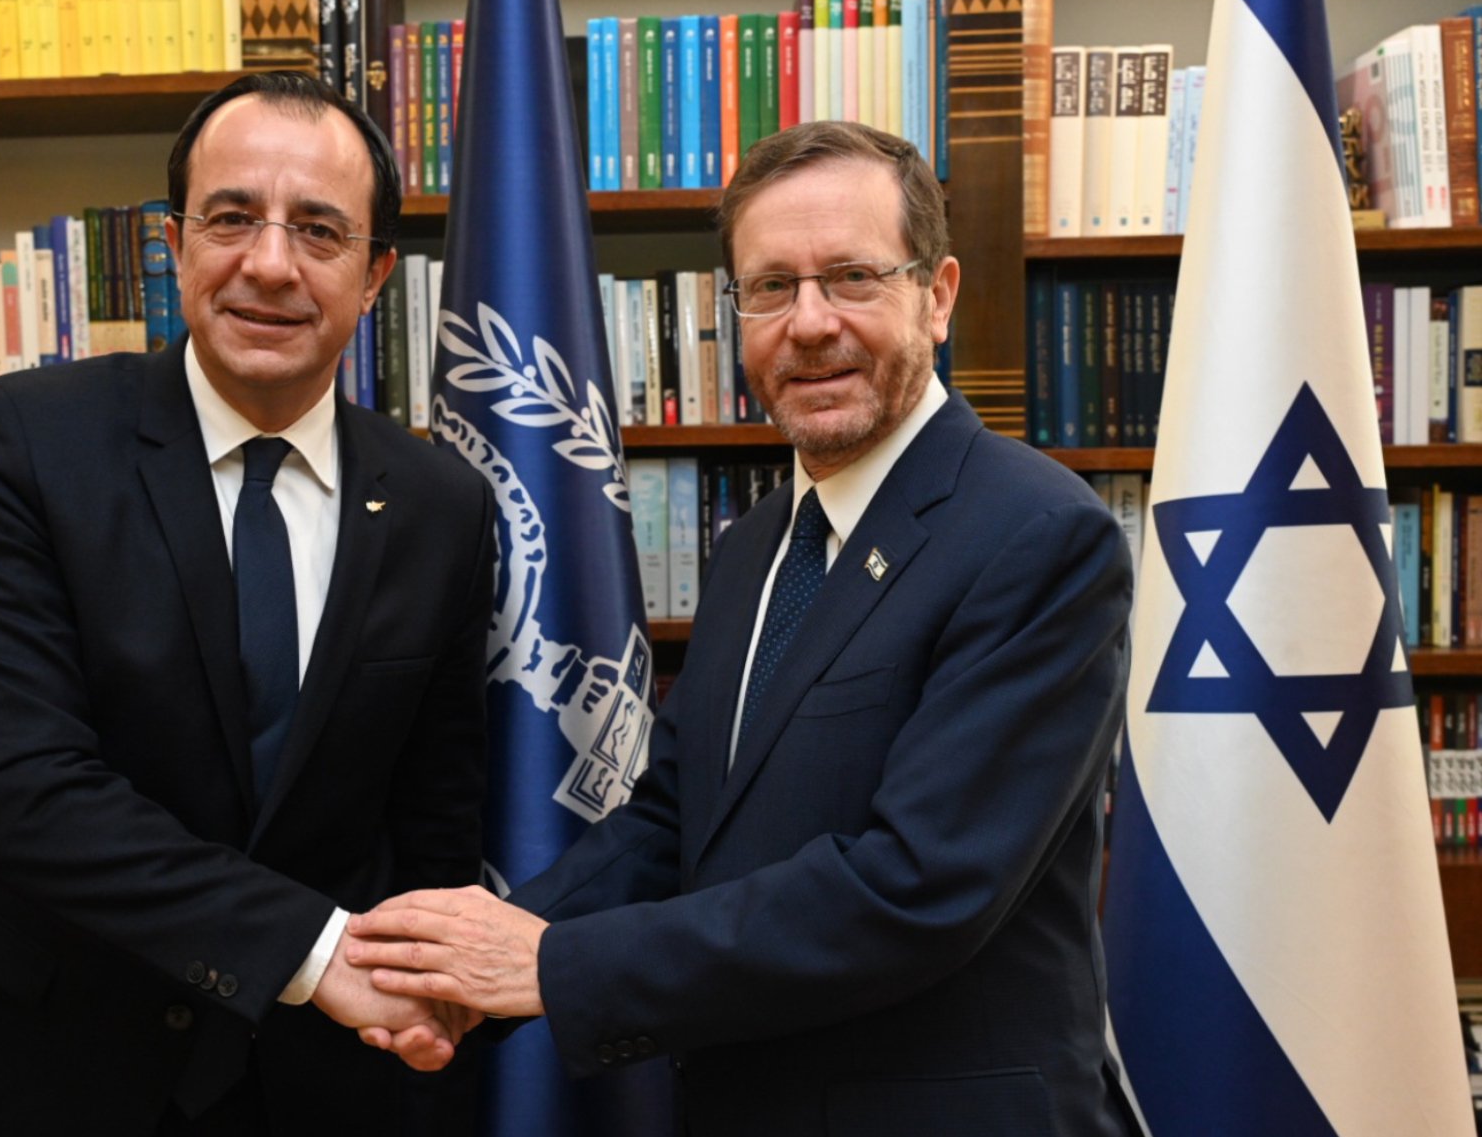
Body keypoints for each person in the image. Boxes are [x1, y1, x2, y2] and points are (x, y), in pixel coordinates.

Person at [346, 121, 1142, 1137]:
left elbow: (914, 888)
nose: (809, 324)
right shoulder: (759, 544)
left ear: (937, 296)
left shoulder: (1038, 538)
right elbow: (674, 819)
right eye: (770, 287)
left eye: (852, 277)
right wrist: (480, 960)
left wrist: (547, 965)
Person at [0, 72, 493, 1137]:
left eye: (318, 230)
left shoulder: (441, 504)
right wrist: (314, 952)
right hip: (35, 1064)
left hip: (321, 1082)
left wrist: (421, 1018)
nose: (268, 264)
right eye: (231, 217)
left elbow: (433, 825)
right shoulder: (21, 442)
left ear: (373, 275)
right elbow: (21, 793)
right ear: (173, 244)